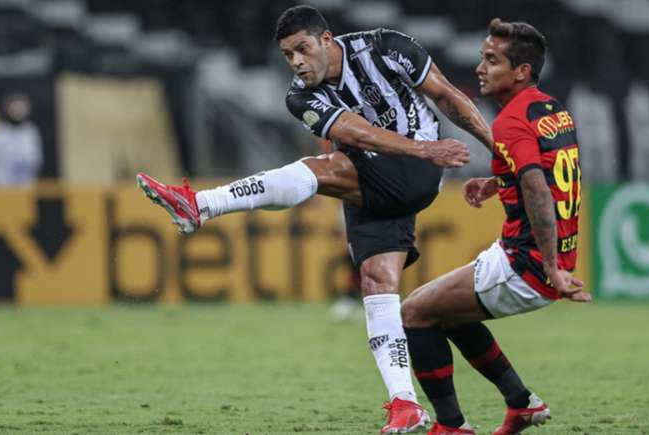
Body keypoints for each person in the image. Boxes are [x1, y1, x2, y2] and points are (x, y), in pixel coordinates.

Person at [136, 5, 495, 433]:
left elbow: (448, 97)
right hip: (375, 173)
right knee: (377, 282)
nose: (297, 62)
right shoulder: (300, 96)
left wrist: (498, 150)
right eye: (288, 55)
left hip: (416, 168)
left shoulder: (386, 47)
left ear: (326, 40)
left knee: (321, 168)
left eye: (302, 49)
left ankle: (202, 205)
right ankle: (405, 403)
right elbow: (355, 134)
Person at [399, 18, 591, 435]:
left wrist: (553, 268)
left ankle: (451, 427)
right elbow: (548, 172)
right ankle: (521, 403)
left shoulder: (510, 120)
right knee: (445, 313)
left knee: (413, 312)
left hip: (526, 264)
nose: (480, 69)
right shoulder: (553, 110)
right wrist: (497, 181)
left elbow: (539, 190)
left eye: (491, 60)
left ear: (521, 71)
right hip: (538, 259)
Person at [0, 92, 43, 187]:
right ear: (7, 109)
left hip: (23, 189)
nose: (18, 112)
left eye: (21, 108)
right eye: (15, 108)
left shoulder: (31, 133)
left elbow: (35, 164)